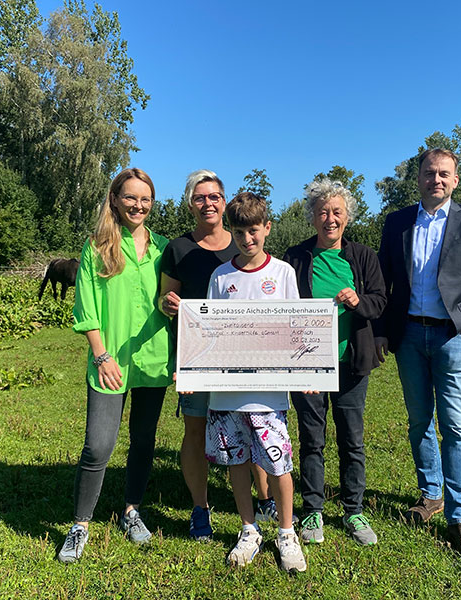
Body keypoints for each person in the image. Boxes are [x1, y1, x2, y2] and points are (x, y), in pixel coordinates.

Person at [374, 148, 461, 558]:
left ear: (456, 179)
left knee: (456, 427)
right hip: (408, 336)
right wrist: (383, 333)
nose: (436, 180)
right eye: (430, 173)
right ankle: (430, 496)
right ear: (419, 178)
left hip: (451, 338)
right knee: (418, 422)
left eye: (444, 174)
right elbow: (384, 284)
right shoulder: (396, 223)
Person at [58, 168, 173, 563]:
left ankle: (131, 510)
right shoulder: (96, 247)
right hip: (109, 362)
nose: (138, 205)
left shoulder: (163, 248)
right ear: (115, 199)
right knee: (98, 445)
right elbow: (86, 308)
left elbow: (167, 302)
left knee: (143, 441)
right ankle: (80, 524)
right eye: (130, 198)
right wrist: (101, 355)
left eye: (145, 199)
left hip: (153, 360)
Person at [158, 171, 278, 540]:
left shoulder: (244, 241)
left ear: (224, 202)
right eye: (200, 197)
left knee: (254, 428)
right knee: (194, 432)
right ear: (190, 203)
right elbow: (164, 302)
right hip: (198, 361)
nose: (208, 203)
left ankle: (265, 499)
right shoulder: (178, 249)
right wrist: (169, 305)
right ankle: (200, 508)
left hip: (248, 364)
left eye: (214, 196)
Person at [204, 192, 306, 572]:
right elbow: (208, 333)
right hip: (227, 395)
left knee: (279, 465)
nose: (248, 239)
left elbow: (297, 329)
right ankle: (249, 530)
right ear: (231, 232)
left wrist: (306, 373)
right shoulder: (220, 276)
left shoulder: (282, 273)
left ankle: (286, 532)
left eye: (254, 230)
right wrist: (193, 370)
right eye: (239, 231)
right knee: (236, 461)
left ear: (267, 227)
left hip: (269, 393)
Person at [284, 179, 386, 546]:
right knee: (312, 439)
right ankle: (312, 509)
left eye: (337, 212)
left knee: (351, 439)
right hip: (307, 365)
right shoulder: (294, 258)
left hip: (352, 362)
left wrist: (358, 301)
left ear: (347, 217)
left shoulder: (362, 256)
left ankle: (353, 509)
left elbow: (379, 301)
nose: (330, 218)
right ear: (312, 216)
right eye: (323, 211)